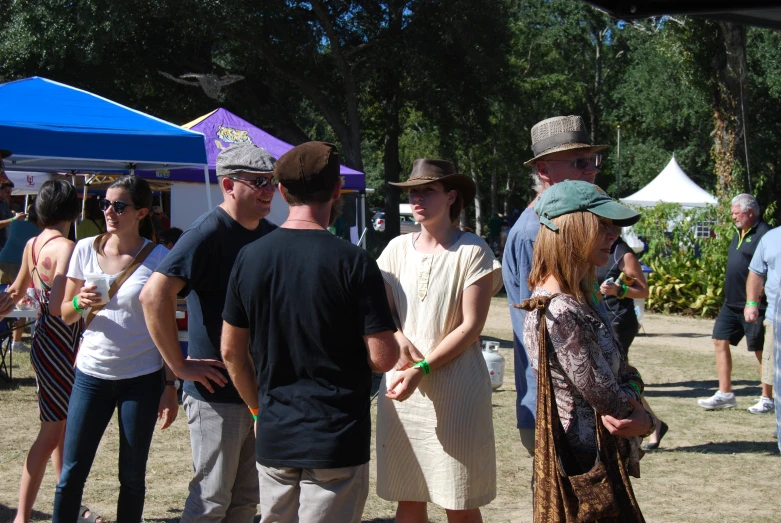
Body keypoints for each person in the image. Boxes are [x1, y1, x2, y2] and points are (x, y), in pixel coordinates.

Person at [221, 141, 399, 523]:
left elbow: (232, 353)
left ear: (282, 192)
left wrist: (256, 407)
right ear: (337, 191)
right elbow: (383, 358)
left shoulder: (249, 258)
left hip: (276, 433)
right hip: (336, 437)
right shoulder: (355, 262)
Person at [140, 144, 278, 522]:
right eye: (259, 182)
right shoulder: (207, 232)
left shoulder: (270, 234)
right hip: (216, 393)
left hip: (258, 389)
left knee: (248, 498)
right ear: (229, 184)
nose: (269, 190)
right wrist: (179, 366)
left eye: (272, 182)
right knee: (211, 500)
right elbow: (153, 296)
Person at [376, 158, 502, 523]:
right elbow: (379, 314)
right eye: (413, 191)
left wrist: (423, 367)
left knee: (458, 498)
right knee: (408, 494)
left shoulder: (474, 250)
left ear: (450, 196)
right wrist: (398, 338)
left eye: (427, 190)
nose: (417, 198)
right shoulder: (396, 249)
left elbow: (470, 326)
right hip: (403, 389)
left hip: (457, 390)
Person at [520, 180, 650, 520]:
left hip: (590, 460)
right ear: (573, 230)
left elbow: (624, 376)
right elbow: (613, 405)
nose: (613, 236)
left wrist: (631, 384)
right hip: (587, 467)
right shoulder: (563, 312)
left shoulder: (570, 301)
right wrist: (647, 419)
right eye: (602, 226)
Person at [52, 175, 175, 523]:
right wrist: (78, 301)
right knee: (71, 474)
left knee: (132, 477)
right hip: (91, 374)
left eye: (119, 206)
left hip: (142, 378)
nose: (109, 211)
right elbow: (64, 313)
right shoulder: (83, 249)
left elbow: (165, 326)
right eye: (104, 204)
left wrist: (169, 386)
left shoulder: (160, 258)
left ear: (141, 213)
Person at [502, 115, 606, 455]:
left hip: (582, 397)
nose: (591, 170)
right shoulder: (536, 231)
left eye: (593, 160)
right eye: (579, 162)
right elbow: (541, 330)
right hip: (557, 404)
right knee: (563, 504)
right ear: (544, 170)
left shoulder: (564, 224)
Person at [0, 181, 82, 523]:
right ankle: (22, 515)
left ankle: (67, 503)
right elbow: (61, 308)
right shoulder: (68, 248)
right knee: (52, 430)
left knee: (59, 426)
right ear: (74, 211)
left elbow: (16, 290)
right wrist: (89, 299)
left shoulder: (33, 244)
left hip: (44, 341)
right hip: (63, 342)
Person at [698, 194, 771, 411]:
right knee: (720, 340)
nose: (733, 217)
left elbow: (770, 270)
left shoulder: (765, 235)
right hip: (731, 303)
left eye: (736, 213)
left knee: (760, 351)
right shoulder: (738, 232)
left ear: (750, 212)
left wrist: (757, 298)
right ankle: (725, 393)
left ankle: (768, 398)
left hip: (755, 305)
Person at [597, 235, 668, 449]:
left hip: (620, 321)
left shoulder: (623, 253)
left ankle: (649, 424)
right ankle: (653, 423)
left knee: (618, 375)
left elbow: (643, 290)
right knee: (615, 375)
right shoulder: (598, 247)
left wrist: (619, 290)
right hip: (602, 319)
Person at [745, 224, 781, 414]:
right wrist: (751, 303)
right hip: (776, 318)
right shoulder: (771, 238)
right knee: (776, 373)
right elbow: (756, 272)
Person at [0, 204, 42, 352]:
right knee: (22, 303)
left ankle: (5, 337)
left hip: (3, 262)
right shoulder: (40, 231)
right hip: (20, 265)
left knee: (5, 298)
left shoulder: (17, 223)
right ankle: (16, 341)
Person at [0, 180, 27, 249]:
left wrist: (16, 217)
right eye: (7, 192)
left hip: (5, 244)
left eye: (10, 192)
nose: (9, 194)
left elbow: (8, 218)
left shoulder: (4, 203)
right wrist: (13, 219)